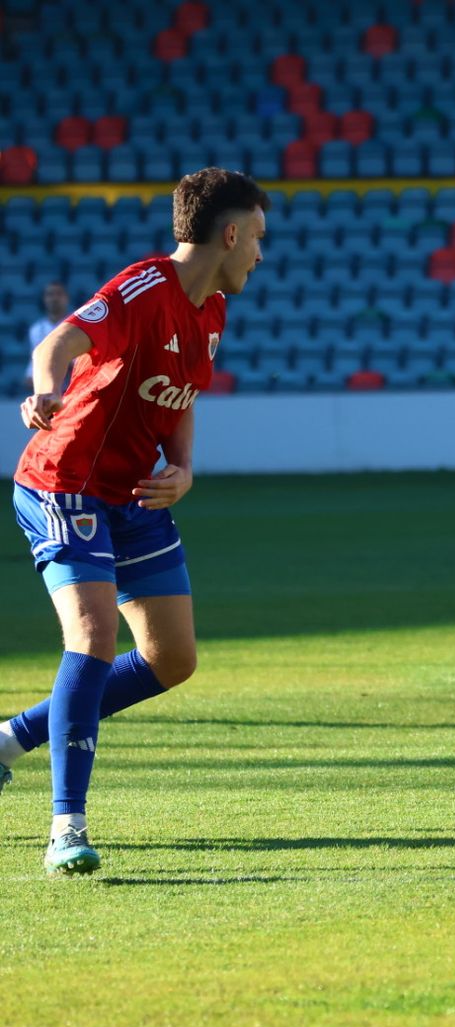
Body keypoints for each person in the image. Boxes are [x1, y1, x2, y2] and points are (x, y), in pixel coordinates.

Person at [2, 167, 268, 875]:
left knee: (172, 658)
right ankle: (66, 826)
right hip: (66, 482)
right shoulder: (144, 287)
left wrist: (183, 467)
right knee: (92, 637)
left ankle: (6, 742)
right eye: (257, 238)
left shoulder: (212, 310)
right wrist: (45, 391)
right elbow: (55, 345)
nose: (260, 255)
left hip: (133, 494)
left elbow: (180, 396)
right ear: (230, 234)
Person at [22, 281, 69, 394]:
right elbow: (35, 361)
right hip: (47, 391)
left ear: (66, 298)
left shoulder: (76, 326)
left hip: (71, 389)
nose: (54, 299)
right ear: (44, 299)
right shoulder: (36, 329)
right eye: (50, 294)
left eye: (59, 294)